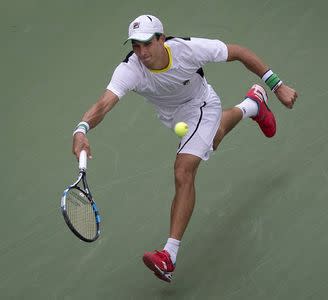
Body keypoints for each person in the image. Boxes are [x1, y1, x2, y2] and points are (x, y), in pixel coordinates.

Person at [72, 14, 298, 283]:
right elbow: (103, 104)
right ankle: (252, 105)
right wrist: (81, 129)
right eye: (135, 45)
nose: (142, 52)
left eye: (147, 43)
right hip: (174, 117)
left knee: (183, 170)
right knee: (213, 138)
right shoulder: (130, 69)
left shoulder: (186, 50)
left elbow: (238, 52)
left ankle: (169, 255)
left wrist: (278, 85)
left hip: (202, 106)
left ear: (161, 39)